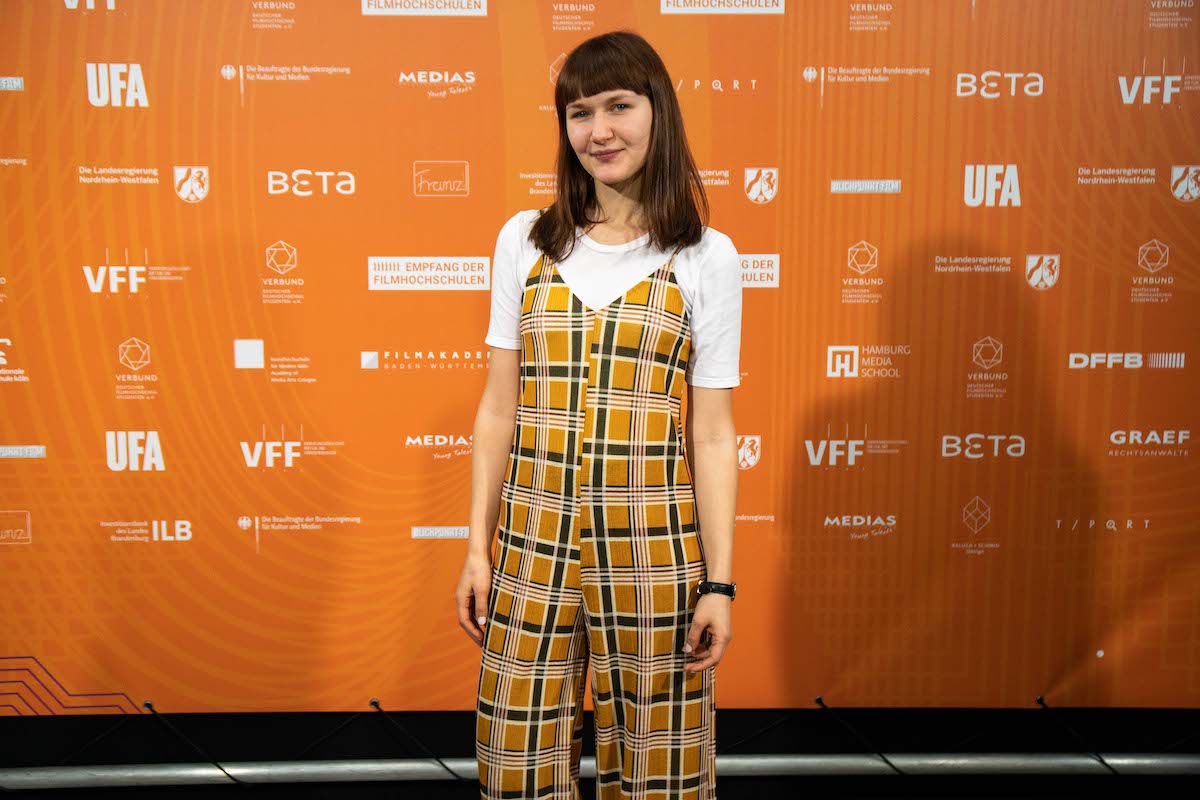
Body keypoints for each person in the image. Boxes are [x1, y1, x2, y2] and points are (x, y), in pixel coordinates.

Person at [455, 29, 742, 800]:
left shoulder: (706, 257)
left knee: (660, 774)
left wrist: (720, 584)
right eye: (580, 113)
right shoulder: (526, 241)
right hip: (531, 545)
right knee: (514, 767)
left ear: (658, 112)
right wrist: (478, 549)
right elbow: (498, 407)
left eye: (619, 106)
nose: (599, 131)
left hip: (654, 553)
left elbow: (712, 433)